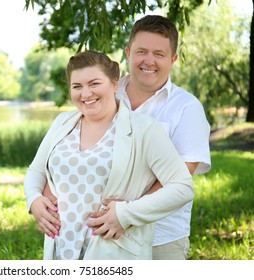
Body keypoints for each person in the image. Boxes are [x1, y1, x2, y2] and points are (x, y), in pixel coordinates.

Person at [29, 15, 211, 260]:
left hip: (162, 236)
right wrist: (41, 198)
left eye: (159, 54)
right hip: (83, 239)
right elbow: (60, 165)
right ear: (128, 52)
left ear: (173, 59)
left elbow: (180, 177)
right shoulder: (102, 93)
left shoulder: (186, 108)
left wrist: (124, 214)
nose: (149, 61)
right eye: (141, 51)